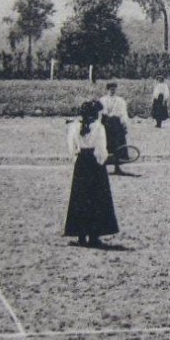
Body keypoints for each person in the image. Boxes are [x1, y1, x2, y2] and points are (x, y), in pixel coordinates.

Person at [63, 100, 120, 248]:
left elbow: (71, 146)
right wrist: (102, 161)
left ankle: (81, 235)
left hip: (81, 163)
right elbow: (101, 149)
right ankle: (94, 235)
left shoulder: (74, 126)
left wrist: (76, 157)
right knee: (96, 199)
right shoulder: (99, 128)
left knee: (80, 198)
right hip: (94, 164)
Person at [99, 82, 130, 173]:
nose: (112, 91)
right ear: (107, 90)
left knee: (118, 146)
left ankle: (117, 167)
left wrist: (124, 124)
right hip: (106, 124)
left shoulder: (120, 100)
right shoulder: (102, 100)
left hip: (116, 124)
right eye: (110, 89)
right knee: (104, 145)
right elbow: (99, 113)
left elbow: (124, 113)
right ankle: (103, 167)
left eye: (114, 89)